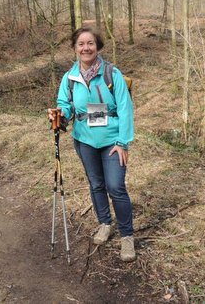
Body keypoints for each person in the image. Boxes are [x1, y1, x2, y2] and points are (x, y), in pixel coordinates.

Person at [48, 26, 136, 262]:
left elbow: (125, 108)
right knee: (96, 184)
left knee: (115, 186)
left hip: (111, 139)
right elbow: (65, 104)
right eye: (81, 44)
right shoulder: (69, 78)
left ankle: (127, 236)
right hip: (84, 139)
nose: (86, 48)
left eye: (90, 43)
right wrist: (60, 115)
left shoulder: (111, 73)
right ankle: (105, 224)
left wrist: (123, 142)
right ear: (75, 48)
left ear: (97, 46)